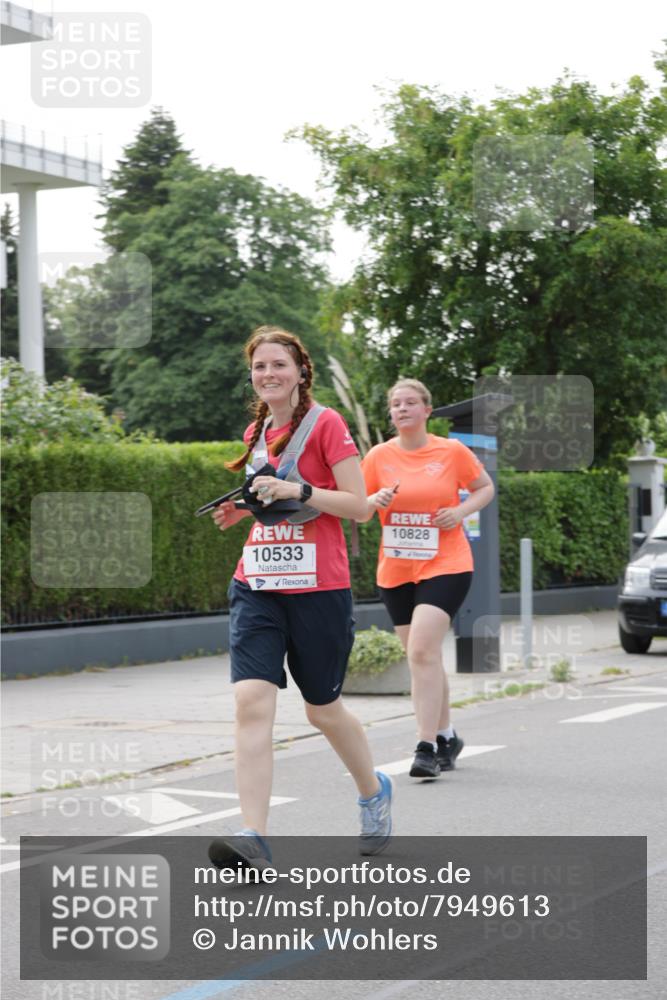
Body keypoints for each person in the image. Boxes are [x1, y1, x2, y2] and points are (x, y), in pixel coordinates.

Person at [207, 325, 393, 869]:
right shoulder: (256, 432)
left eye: (279, 365)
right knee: (251, 702)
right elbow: (272, 501)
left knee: (322, 710)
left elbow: (359, 507)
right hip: (258, 582)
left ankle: (372, 790)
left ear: (300, 372)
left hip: (319, 587)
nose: (269, 374)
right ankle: (254, 837)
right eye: (260, 366)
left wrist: (299, 489)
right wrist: (242, 509)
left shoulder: (327, 424)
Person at [358, 379, 495, 780]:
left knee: (421, 652)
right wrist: (371, 501)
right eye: (395, 404)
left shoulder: (451, 452)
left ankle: (424, 747)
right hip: (396, 568)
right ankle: (448, 736)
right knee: (425, 659)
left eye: (411, 403)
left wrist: (461, 511)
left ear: (426, 411)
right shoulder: (378, 457)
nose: (402, 409)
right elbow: (357, 510)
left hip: (446, 563)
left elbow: (484, 488)